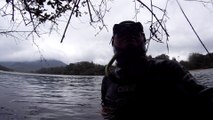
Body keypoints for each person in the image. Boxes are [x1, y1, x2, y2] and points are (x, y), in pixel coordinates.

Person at [101, 20, 213, 119]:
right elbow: (105, 110)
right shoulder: (108, 79)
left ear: (144, 40)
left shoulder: (169, 68)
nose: (129, 38)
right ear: (112, 42)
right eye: (121, 35)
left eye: (135, 34)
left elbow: (203, 97)